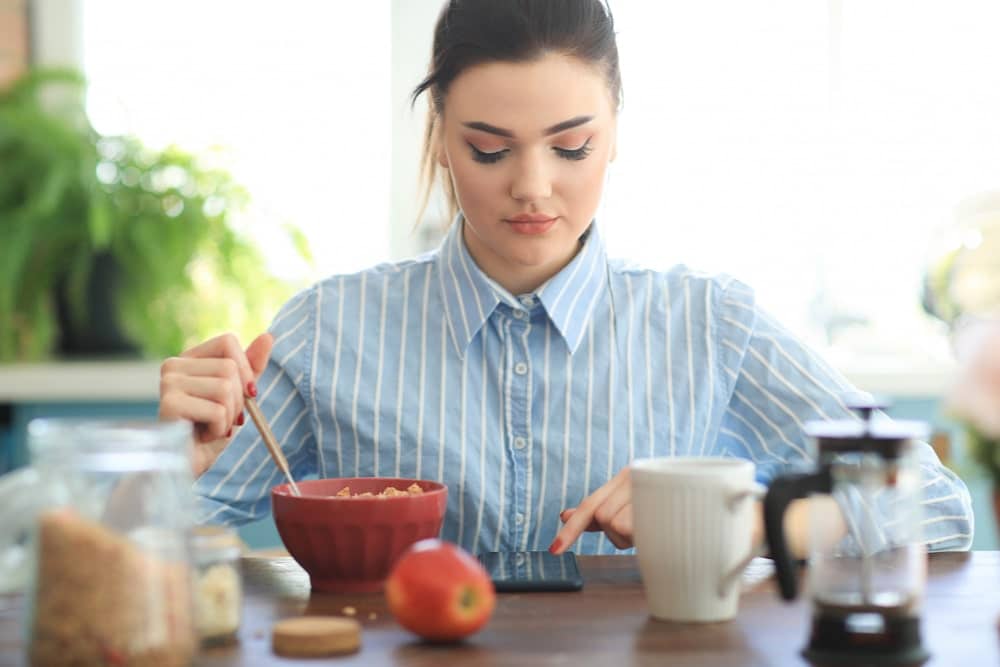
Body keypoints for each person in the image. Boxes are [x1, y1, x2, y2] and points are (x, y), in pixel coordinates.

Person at [159, 0, 973, 556]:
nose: (533, 186)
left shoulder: (709, 323)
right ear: (440, 137)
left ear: (615, 130)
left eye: (571, 146)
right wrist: (167, 465)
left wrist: (736, 521)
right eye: (489, 148)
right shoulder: (329, 328)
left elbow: (935, 508)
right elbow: (151, 547)